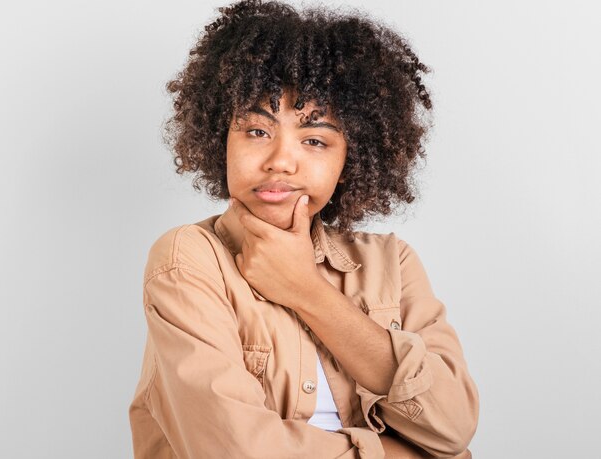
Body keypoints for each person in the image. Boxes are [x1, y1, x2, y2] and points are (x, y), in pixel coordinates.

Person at [128, 0, 480, 457]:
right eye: (256, 131)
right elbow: (237, 450)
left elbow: (453, 426)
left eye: (315, 140)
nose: (280, 160)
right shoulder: (188, 259)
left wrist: (307, 290)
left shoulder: (392, 263)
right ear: (220, 139)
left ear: (350, 159)